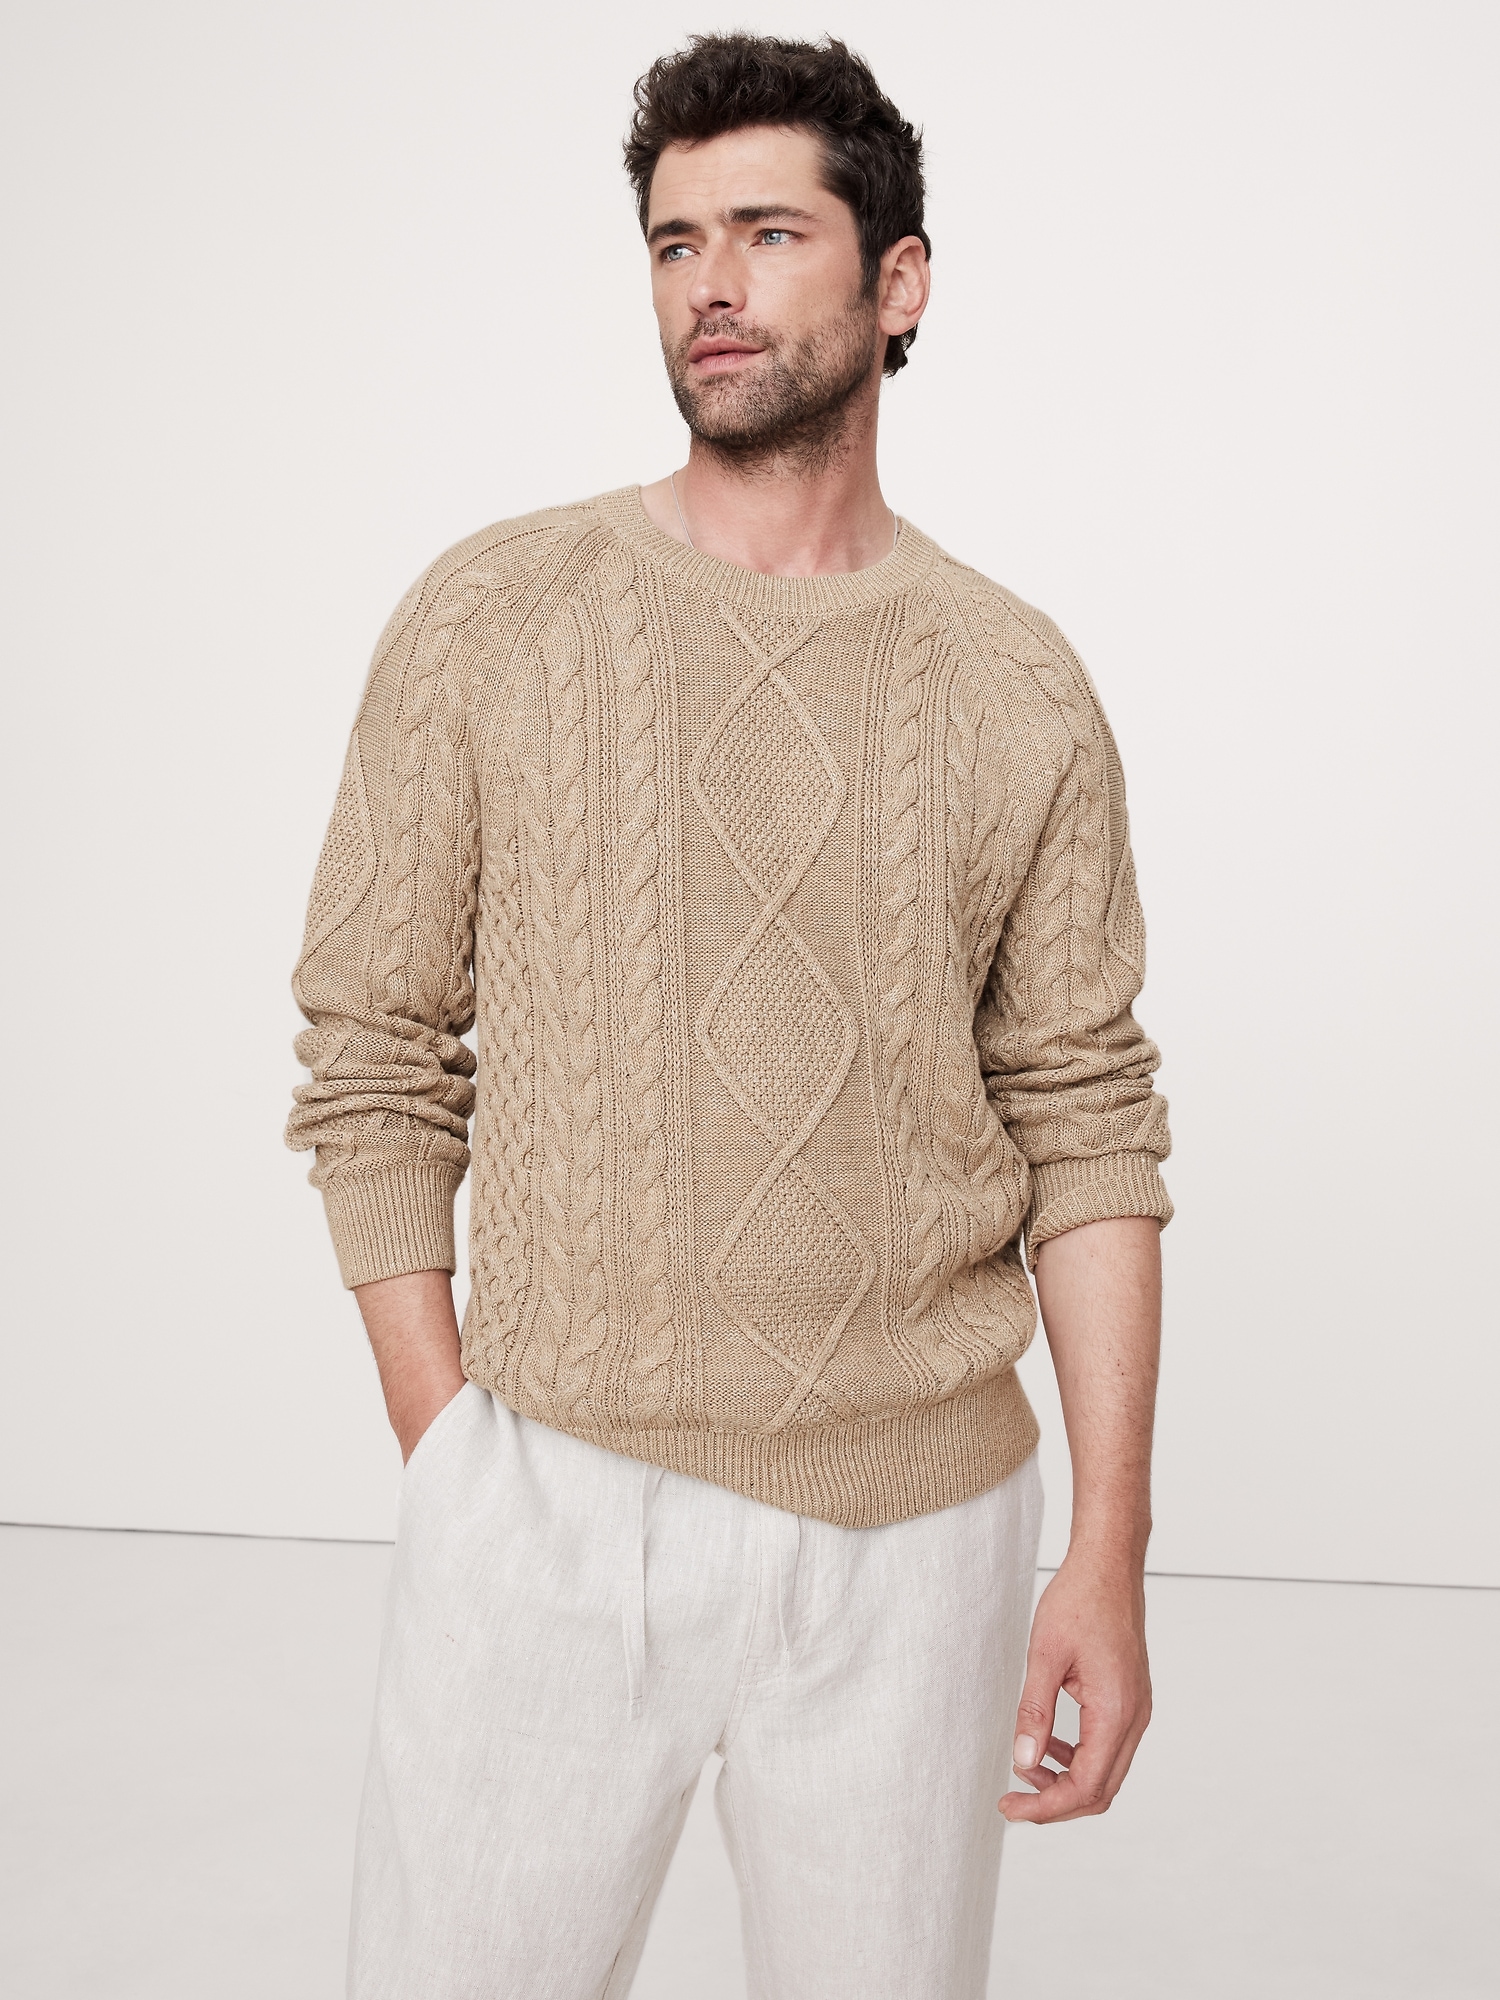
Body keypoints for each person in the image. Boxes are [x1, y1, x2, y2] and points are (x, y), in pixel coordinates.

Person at [286, 31, 1173, 2000]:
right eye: (676, 240)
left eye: (771, 233)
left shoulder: (1015, 686)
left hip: (919, 1538)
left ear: (898, 281)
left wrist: (1105, 1552)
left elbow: (1087, 1117)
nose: (711, 283)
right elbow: (372, 1052)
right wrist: (454, 1459)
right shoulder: (494, 618)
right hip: (550, 1503)